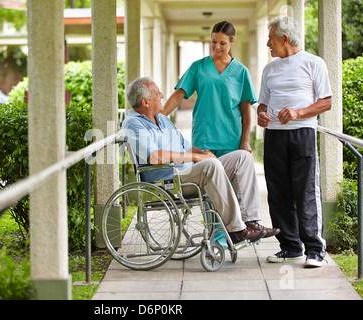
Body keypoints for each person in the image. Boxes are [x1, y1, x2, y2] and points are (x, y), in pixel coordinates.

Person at [122, 76, 279, 245]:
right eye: (157, 93)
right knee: (209, 165)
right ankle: (236, 231)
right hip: (168, 181)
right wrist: (198, 157)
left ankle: (250, 222)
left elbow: (187, 148)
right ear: (145, 102)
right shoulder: (133, 124)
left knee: (243, 157)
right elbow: (154, 157)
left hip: (189, 174)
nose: (162, 95)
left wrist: (203, 152)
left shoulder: (162, 119)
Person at [257, 16, 332, 268]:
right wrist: (262, 115)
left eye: (271, 38)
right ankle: (290, 248)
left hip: (303, 134)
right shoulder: (269, 69)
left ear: (284, 39)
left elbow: (326, 102)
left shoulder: (314, 63)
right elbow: (263, 104)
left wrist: (298, 112)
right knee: (278, 192)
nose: (269, 43)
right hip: (274, 136)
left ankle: (314, 250)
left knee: (305, 191)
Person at [163, 21, 257, 157]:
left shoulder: (241, 71)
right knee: (204, 176)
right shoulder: (198, 67)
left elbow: (246, 110)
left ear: (232, 42)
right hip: (203, 138)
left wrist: (245, 141)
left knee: (228, 178)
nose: (217, 47)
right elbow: (179, 94)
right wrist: (158, 118)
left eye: (222, 43)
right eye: (214, 42)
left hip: (231, 139)